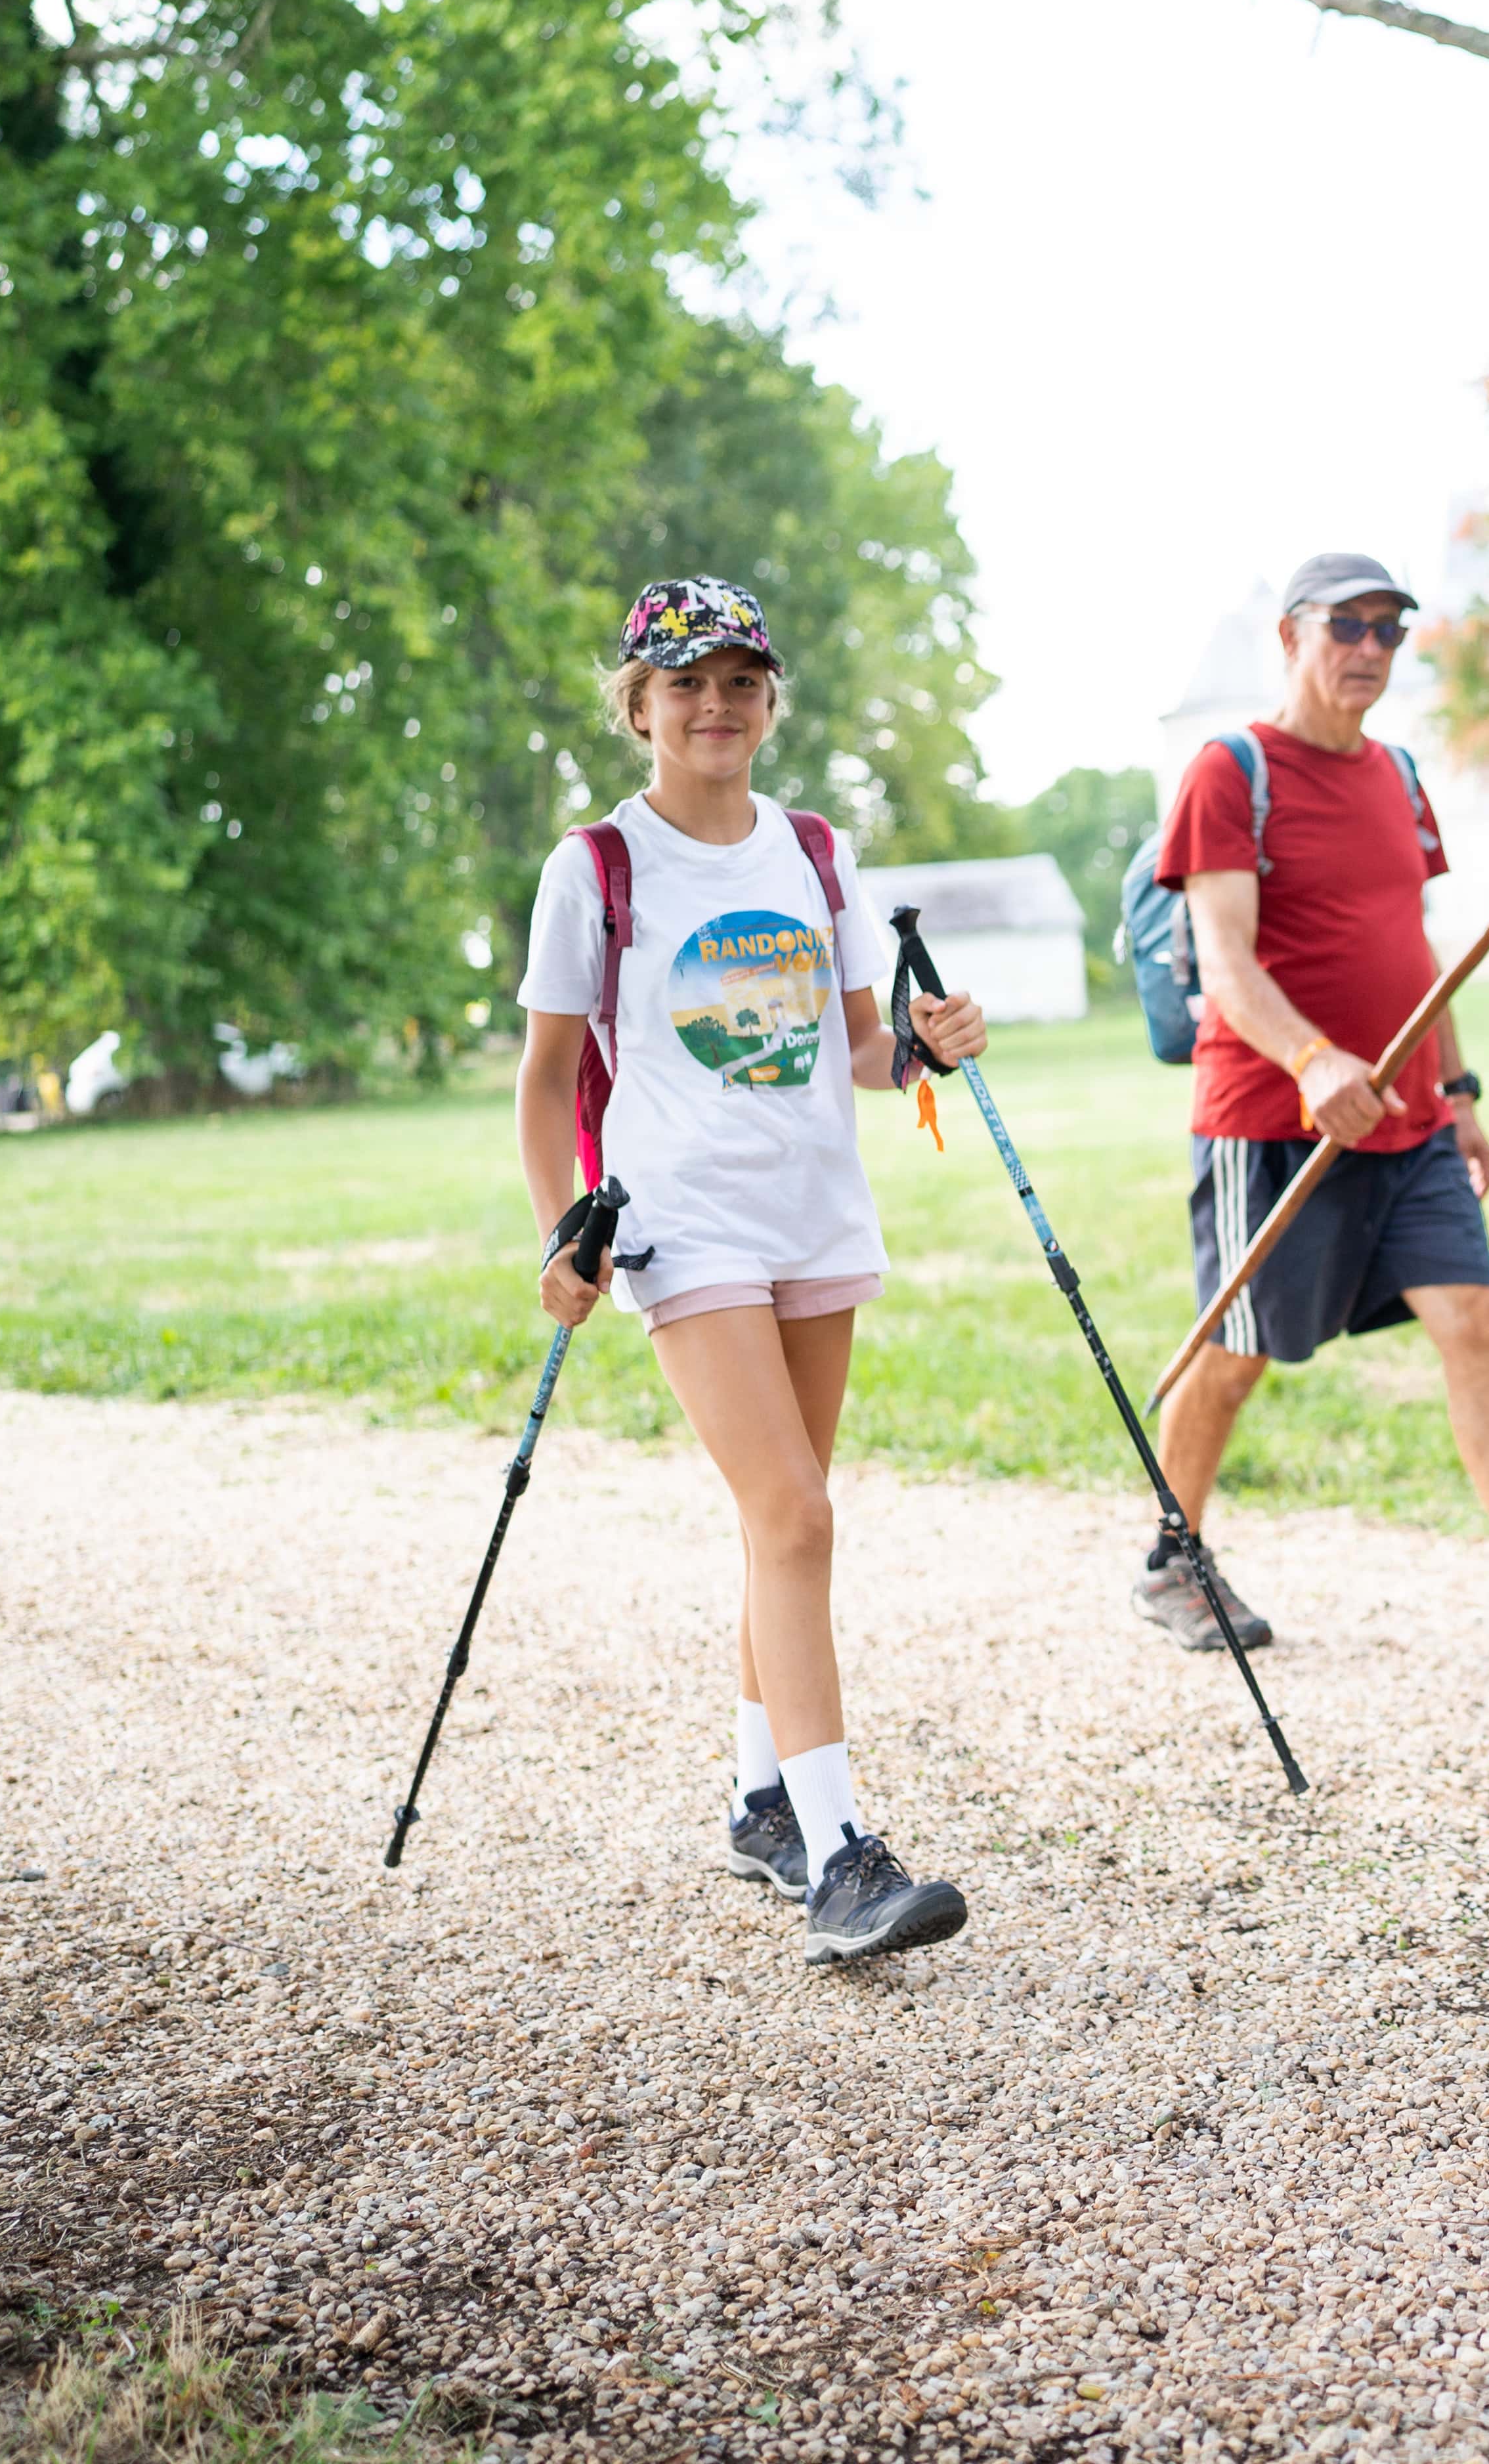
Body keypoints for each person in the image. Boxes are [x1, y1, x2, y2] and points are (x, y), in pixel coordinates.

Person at [513, 577, 982, 1965]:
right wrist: (562, 1230)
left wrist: (932, 1041)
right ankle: (840, 1856)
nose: (713, 704)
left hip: (814, 1211)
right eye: (683, 683)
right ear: (640, 707)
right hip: (684, 1220)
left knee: (789, 1517)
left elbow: (855, 1048)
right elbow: (546, 1083)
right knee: (793, 1512)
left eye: (739, 680)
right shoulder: (596, 865)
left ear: (771, 699)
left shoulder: (815, 851)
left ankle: (760, 1796)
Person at [1128, 550, 1489, 1661]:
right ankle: (1170, 1561)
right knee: (1238, 1352)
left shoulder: (1401, 776)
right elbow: (1225, 960)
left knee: (1476, 1321)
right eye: (1349, 626)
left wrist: (1459, 1090)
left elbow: (1423, 953)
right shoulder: (1229, 772)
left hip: (1409, 1116)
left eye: (1390, 630)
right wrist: (1315, 1060)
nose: (1371, 649)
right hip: (1270, 1117)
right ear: (1291, 637)